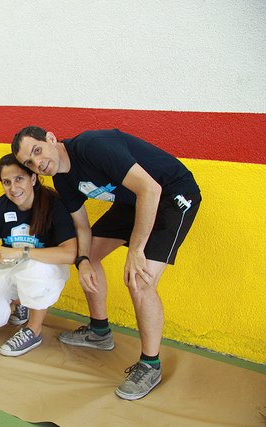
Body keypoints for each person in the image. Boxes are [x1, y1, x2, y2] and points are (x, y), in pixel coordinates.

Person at [12, 126, 201, 400]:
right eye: (29, 162)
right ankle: (99, 332)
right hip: (133, 202)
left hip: (172, 196)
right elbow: (82, 228)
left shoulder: (92, 146)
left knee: (139, 280)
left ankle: (150, 364)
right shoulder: (62, 180)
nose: (38, 163)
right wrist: (84, 260)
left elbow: (150, 188)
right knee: (86, 254)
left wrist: (136, 250)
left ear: (51, 138)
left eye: (38, 151)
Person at [0, 154, 77, 357]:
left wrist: (22, 252)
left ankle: (33, 331)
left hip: (45, 269)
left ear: (33, 178)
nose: (13, 188)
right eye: (7, 182)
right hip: (9, 267)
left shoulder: (54, 205)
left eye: (19, 179)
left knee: (35, 270)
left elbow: (71, 253)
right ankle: (20, 304)